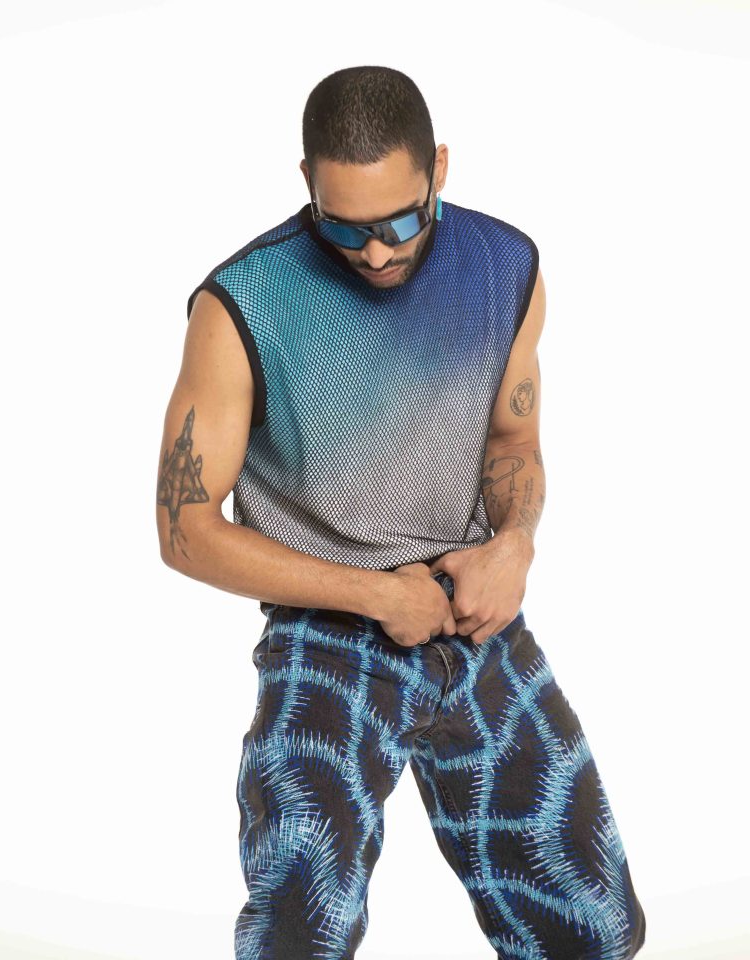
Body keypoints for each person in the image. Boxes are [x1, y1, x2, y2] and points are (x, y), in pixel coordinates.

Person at [156, 65, 646, 960]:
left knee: (593, 927)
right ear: (307, 183)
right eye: (345, 227)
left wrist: (515, 545)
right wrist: (377, 595)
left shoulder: (506, 267)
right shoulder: (242, 303)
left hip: (470, 608)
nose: (378, 252)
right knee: (300, 930)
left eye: (401, 221)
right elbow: (184, 531)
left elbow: (513, 440)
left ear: (439, 171)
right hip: (326, 629)